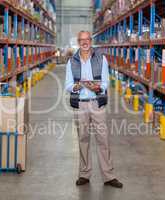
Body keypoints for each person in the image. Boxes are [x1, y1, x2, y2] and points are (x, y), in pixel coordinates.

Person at [65, 31, 123, 188]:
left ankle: (109, 176)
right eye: (81, 40)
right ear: (78, 42)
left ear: (91, 41)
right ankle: (84, 174)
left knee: (103, 140)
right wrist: (77, 86)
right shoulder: (72, 61)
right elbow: (68, 84)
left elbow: (105, 82)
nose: (85, 42)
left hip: (97, 103)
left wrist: (97, 87)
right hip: (81, 104)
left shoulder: (101, 58)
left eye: (87, 39)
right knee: (83, 139)